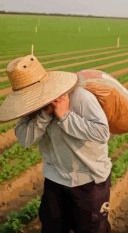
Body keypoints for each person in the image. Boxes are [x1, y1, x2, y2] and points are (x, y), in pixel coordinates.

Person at [0, 54, 112, 233]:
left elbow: (102, 133)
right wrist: (44, 116)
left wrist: (65, 116)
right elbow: (25, 139)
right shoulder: (29, 109)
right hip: (55, 178)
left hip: (88, 181)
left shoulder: (80, 98)